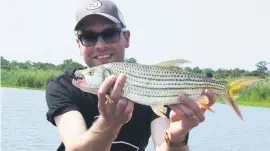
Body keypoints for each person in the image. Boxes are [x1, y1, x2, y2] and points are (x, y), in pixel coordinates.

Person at [45, 0, 216, 151]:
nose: (100, 45)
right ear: (79, 44)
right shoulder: (63, 86)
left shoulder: (154, 89)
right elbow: (74, 147)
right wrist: (109, 124)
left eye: (110, 34)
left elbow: (163, 146)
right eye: (89, 37)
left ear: (126, 38)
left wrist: (177, 137)